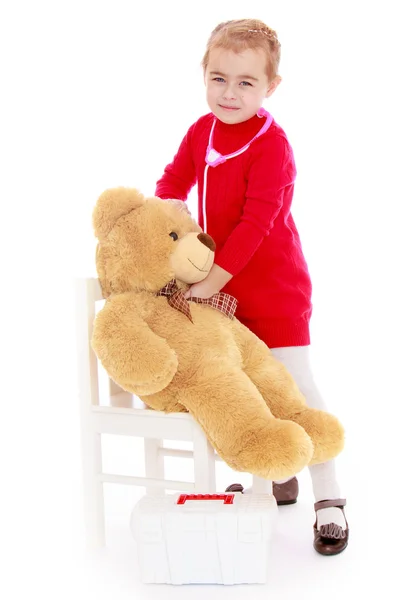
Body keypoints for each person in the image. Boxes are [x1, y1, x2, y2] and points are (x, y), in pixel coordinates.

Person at [155, 18, 348, 555]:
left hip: (273, 287)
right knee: (243, 388)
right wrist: (172, 215)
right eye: (219, 79)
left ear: (270, 88)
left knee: (295, 389)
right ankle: (274, 473)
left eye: (246, 83)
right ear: (203, 75)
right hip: (221, 292)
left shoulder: (273, 146)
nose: (229, 93)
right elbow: (174, 180)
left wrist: (208, 281)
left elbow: (255, 227)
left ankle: (328, 495)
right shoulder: (202, 131)